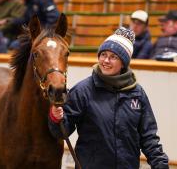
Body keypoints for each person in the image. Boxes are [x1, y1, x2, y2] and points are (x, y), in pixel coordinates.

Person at [49, 27, 169, 169]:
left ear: (123, 63)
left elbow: (149, 137)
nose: (106, 60)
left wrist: (161, 165)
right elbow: (61, 131)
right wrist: (56, 118)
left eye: (113, 57)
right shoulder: (82, 91)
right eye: (103, 54)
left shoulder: (137, 93)